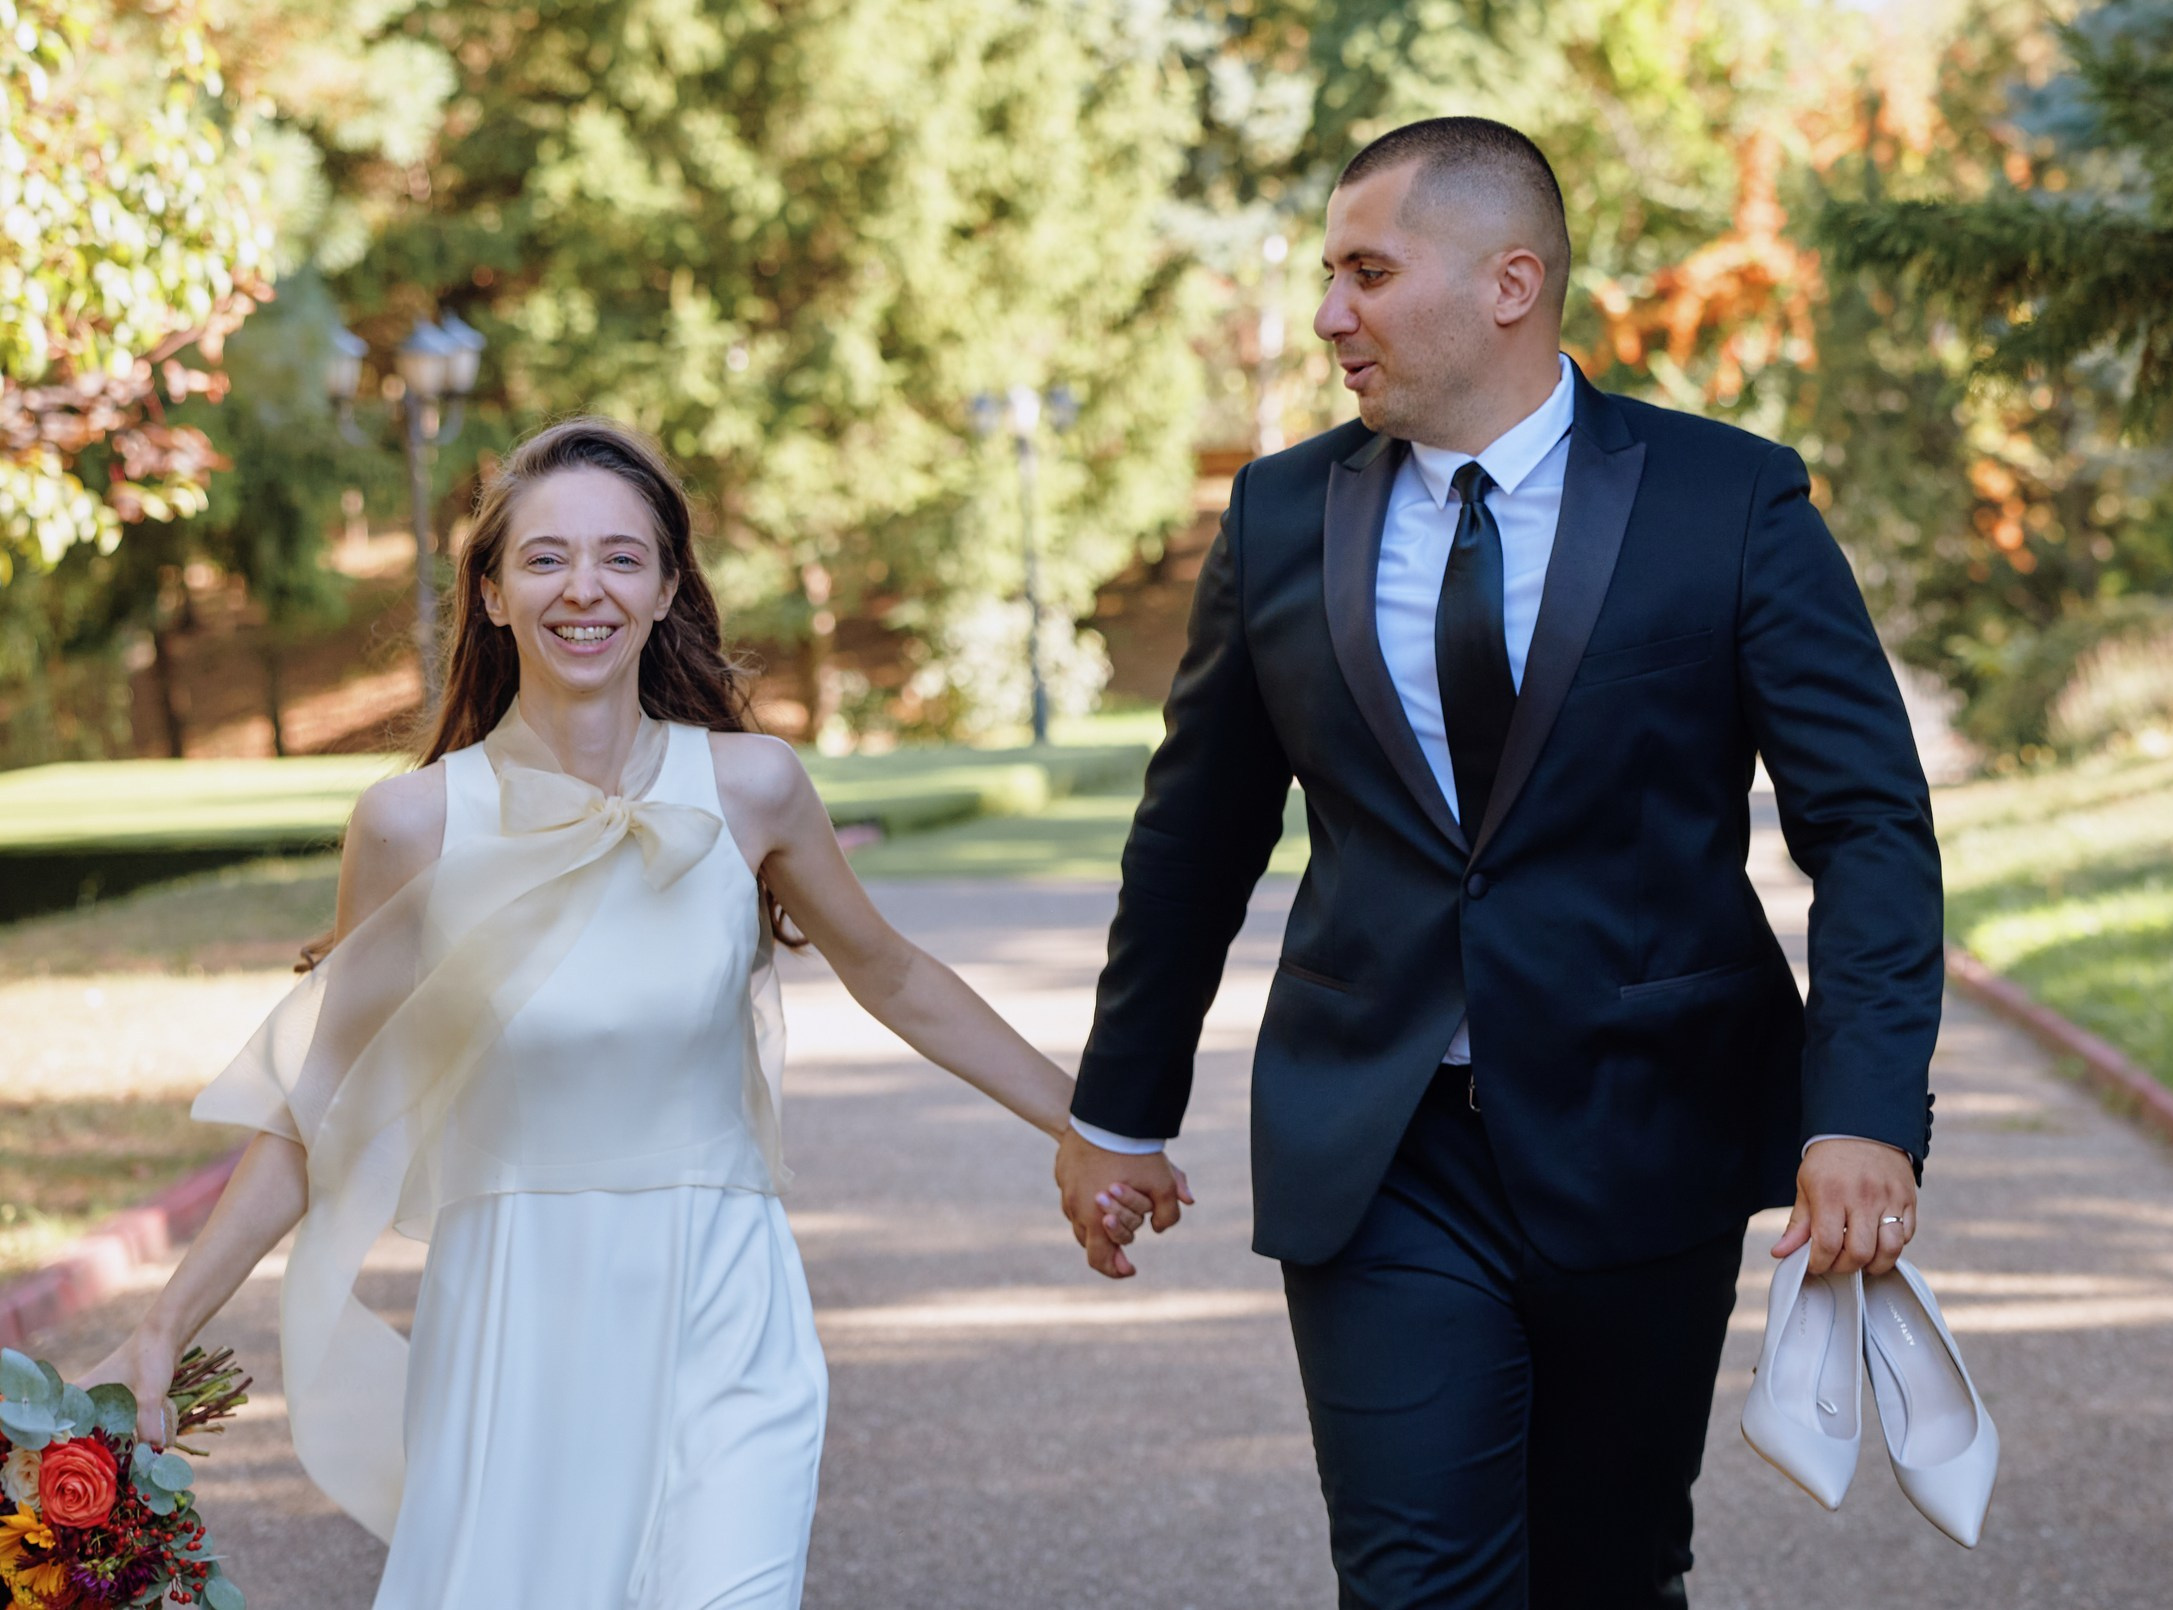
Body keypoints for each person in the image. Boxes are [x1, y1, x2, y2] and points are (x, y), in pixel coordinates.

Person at [1053, 117, 1942, 1607]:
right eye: (1330, 275)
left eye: (1368, 272)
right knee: (1416, 1582)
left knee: (1611, 1569)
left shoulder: (1729, 499)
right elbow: (1197, 832)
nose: (1333, 314)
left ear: (1509, 282)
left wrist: (1863, 1111)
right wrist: (1118, 1110)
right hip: (1381, 1142)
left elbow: (1867, 824)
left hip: (1642, 1128)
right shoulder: (1281, 515)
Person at [83, 418, 1166, 1608]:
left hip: (725, 1302)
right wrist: (165, 1320)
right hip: (517, 1322)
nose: (582, 587)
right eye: (544, 558)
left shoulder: (751, 787)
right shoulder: (414, 824)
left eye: (619, 556)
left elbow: (892, 973)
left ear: (663, 590)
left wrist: (1090, 1123)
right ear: (490, 595)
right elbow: (312, 1108)